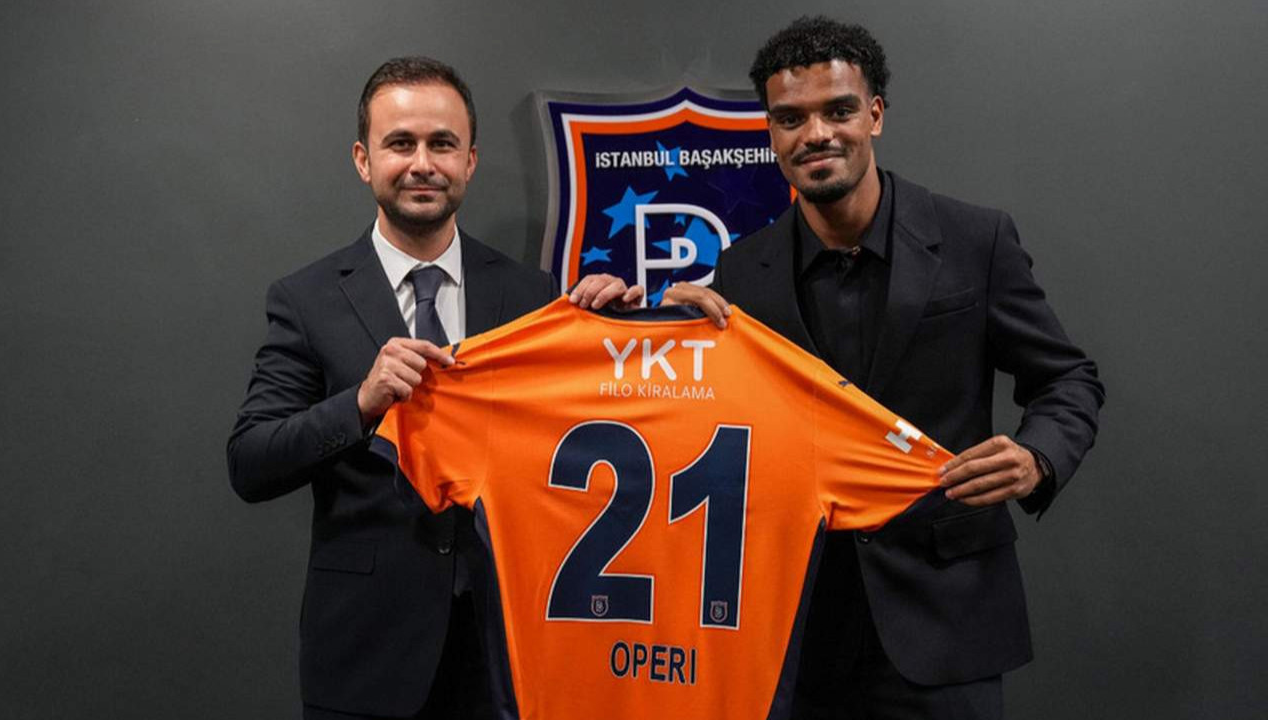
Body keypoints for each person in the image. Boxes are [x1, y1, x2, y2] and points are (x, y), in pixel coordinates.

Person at [663, 17, 1105, 719]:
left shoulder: (975, 239)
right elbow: (708, 429)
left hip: (946, 621)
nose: (816, 135)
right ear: (770, 132)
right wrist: (646, 328)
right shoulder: (742, 272)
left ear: (874, 114)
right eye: (790, 118)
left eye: (837, 110)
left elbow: (1068, 378)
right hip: (794, 633)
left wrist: (1037, 457)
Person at [227, 56, 637, 720]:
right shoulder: (306, 300)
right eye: (401, 143)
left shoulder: (532, 295)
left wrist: (618, 335)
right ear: (363, 160)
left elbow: (585, 437)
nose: (423, 163)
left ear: (470, 161)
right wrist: (361, 402)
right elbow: (251, 461)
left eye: (442, 144)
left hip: (508, 653)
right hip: (364, 655)